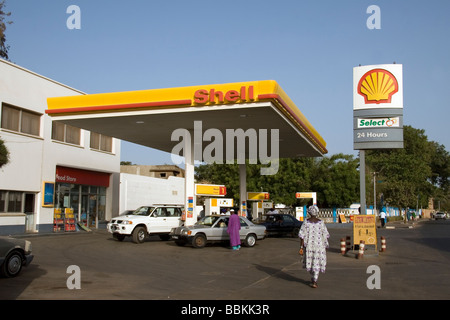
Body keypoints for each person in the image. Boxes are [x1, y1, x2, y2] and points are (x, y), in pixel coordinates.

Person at [298, 205, 329, 288]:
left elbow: (302, 236)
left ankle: (314, 279)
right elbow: (325, 235)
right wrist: (325, 245)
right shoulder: (321, 223)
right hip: (319, 247)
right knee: (316, 263)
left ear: (309, 212)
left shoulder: (306, 222)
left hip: (309, 247)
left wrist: (301, 247)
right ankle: (314, 279)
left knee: (311, 262)